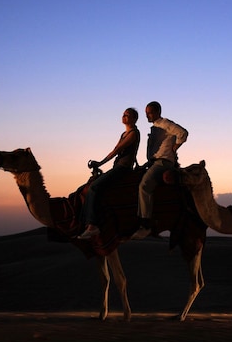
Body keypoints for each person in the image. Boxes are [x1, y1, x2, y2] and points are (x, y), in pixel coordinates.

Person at [77, 107, 140, 240]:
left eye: (127, 115)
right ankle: (83, 223)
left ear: (134, 119)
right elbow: (115, 149)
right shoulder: (124, 134)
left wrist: (99, 163)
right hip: (117, 166)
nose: (124, 117)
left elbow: (117, 150)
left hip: (123, 168)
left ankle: (93, 225)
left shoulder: (133, 133)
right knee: (91, 186)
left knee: (94, 188)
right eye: (123, 114)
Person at [131, 101, 188, 239]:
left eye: (149, 113)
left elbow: (183, 133)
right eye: (146, 113)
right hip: (154, 163)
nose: (147, 115)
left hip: (163, 163)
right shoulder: (156, 127)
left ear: (157, 112)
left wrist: (174, 148)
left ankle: (145, 225)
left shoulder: (165, 124)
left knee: (144, 186)